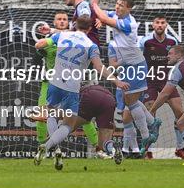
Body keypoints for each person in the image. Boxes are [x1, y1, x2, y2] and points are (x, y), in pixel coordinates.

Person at [33, 15, 128, 170]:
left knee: (50, 114)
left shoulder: (62, 35)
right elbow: (99, 68)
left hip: (55, 83)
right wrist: (117, 81)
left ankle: (53, 148)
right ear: (90, 29)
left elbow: (40, 44)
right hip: (72, 88)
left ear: (74, 24)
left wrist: (46, 38)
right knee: (68, 125)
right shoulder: (91, 45)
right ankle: (48, 145)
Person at [91, 0, 160, 155]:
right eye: (116, 3)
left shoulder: (129, 23)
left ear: (129, 8)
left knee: (131, 102)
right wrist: (101, 18)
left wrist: (95, 3)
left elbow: (102, 16)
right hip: (130, 65)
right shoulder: (116, 14)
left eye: (121, 5)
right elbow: (104, 15)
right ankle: (152, 123)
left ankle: (147, 133)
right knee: (131, 101)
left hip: (135, 65)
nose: (117, 7)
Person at [31, 11, 100, 156]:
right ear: (54, 23)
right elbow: (36, 58)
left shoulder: (66, 37)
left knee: (84, 118)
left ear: (70, 23)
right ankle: (44, 145)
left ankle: (98, 148)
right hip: (51, 82)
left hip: (73, 83)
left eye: (64, 19)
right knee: (43, 114)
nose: (62, 21)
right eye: (59, 19)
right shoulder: (54, 38)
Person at [139, 14, 184, 160]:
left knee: (180, 114)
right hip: (150, 81)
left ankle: (180, 148)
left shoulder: (172, 41)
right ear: (153, 25)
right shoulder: (145, 41)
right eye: (157, 22)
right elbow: (137, 58)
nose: (160, 25)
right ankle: (148, 151)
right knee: (150, 115)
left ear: (166, 25)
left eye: (162, 22)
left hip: (167, 82)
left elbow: (179, 60)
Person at [75, 84, 123, 165]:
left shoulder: (72, 93)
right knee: (102, 146)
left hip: (89, 95)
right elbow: (113, 125)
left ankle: (51, 144)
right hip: (108, 98)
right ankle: (112, 150)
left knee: (70, 125)